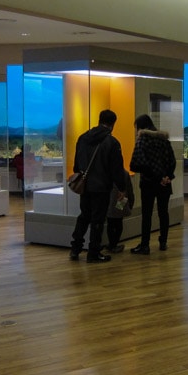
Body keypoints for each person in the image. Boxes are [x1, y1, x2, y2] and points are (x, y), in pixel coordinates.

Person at [69, 110, 127, 263]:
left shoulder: (82, 138)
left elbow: (76, 165)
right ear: (113, 123)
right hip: (101, 187)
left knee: (84, 216)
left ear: (99, 120)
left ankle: (75, 249)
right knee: (98, 220)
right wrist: (122, 188)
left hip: (85, 185)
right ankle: (93, 252)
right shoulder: (112, 143)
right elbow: (116, 169)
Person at [129, 114, 176, 255]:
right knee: (163, 213)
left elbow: (136, 164)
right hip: (164, 184)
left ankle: (145, 245)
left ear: (140, 127)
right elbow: (172, 162)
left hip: (148, 183)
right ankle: (163, 242)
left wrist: (156, 177)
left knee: (147, 214)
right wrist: (166, 177)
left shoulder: (142, 140)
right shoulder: (164, 140)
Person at [105, 169, 135, 253]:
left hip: (109, 201)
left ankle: (112, 244)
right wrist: (131, 202)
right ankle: (114, 244)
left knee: (110, 223)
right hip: (121, 200)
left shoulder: (106, 172)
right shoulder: (124, 173)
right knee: (118, 222)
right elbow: (129, 190)